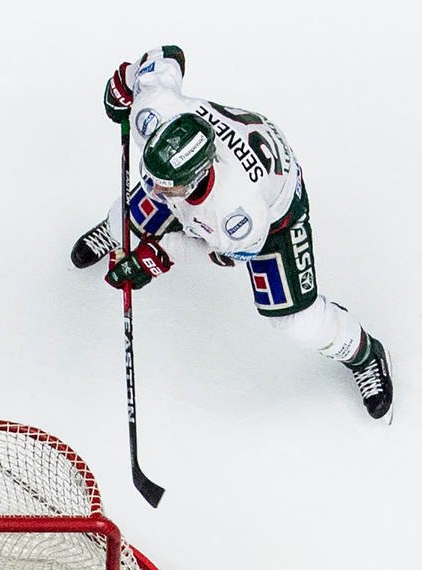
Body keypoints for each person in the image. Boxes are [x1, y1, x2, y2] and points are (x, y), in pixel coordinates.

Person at [70, 46, 393, 422]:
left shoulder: (237, 216)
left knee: (295, 321)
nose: (154, 192)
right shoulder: (155, 111)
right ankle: (115, 230)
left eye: (166, 188)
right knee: (125, 219)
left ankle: (364, 352)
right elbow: (168, 55)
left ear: (195, 178)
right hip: (223, 168)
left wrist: (161, 255)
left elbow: (221, 255)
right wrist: (126, 82)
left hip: (277, 209)